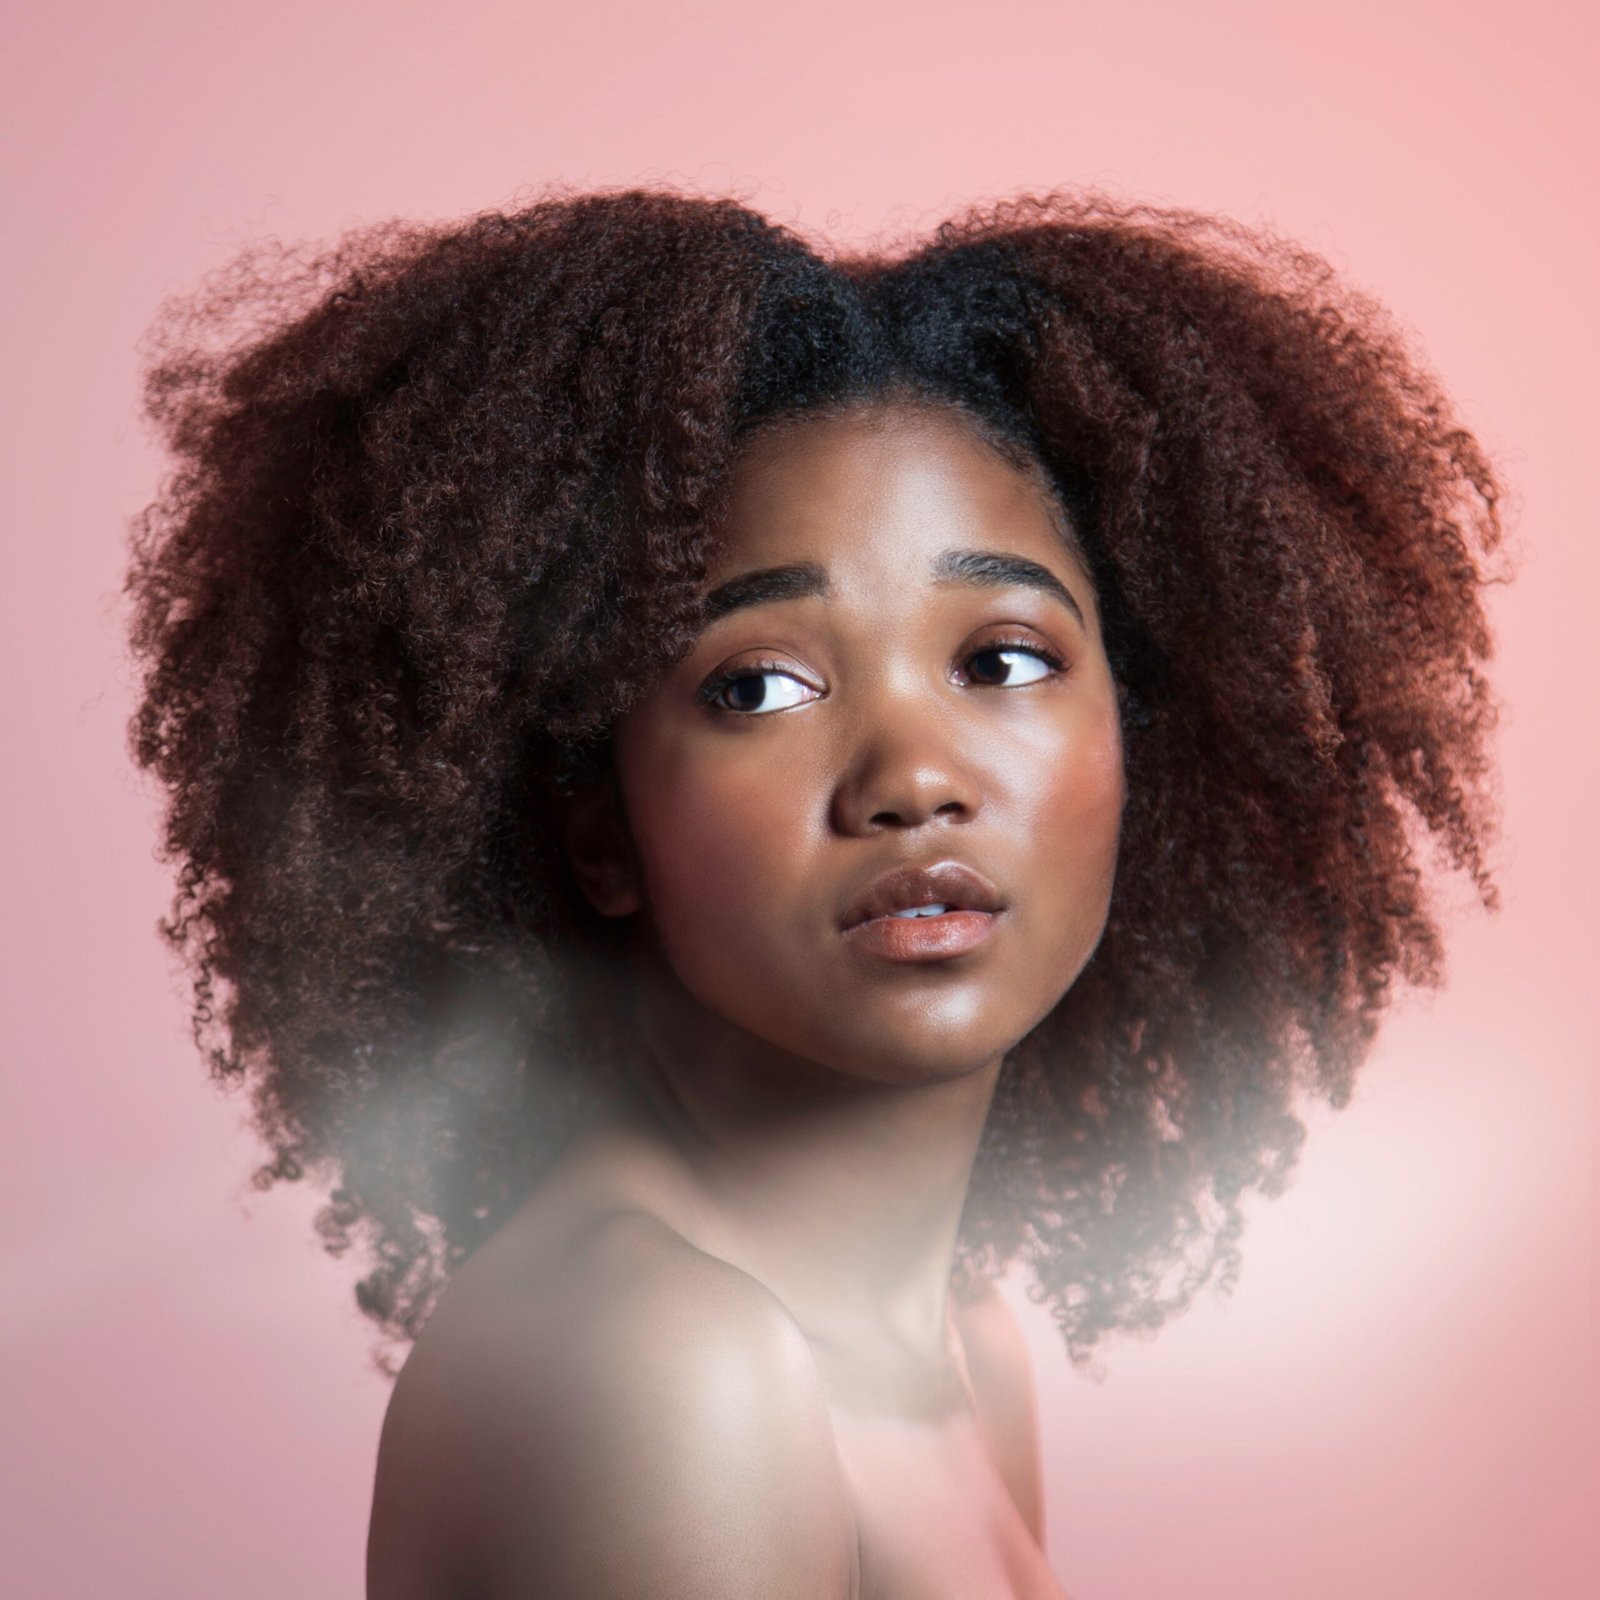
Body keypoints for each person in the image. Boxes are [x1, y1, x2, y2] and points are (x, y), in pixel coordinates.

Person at [125, 189, 1502, 1599]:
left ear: (1141, 742)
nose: (913, 775)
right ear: (600, 829)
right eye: (760, 685)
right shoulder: (665, 1366)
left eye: (1005, 661)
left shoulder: (957, 1336)